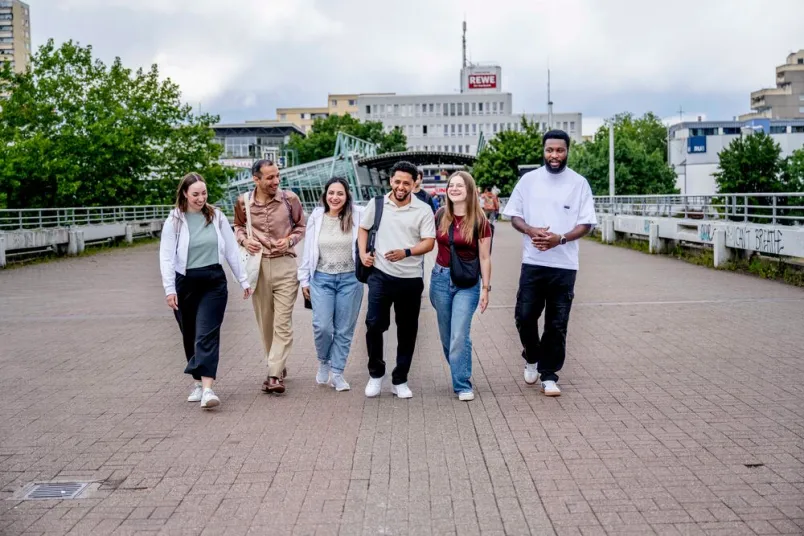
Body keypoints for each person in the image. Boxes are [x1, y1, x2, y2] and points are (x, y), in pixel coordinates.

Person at [502, 130, 597, 397]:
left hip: (564, 266)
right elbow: (514, 216)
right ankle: (532, 356)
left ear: (567, 151)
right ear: (543, 151)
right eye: (549, 150)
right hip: (533, 262)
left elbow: (586, 223)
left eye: (559, 150)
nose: (554, 155)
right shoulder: (528, 181)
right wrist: (531, 230)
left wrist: (561, 239)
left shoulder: (579, 183)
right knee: (524, 316)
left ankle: (549, 374)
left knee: (557, 323)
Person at [159, 173, 252, 410]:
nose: (201, 198)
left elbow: (231, 249)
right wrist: (170, 289)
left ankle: (208, 389)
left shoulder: (216, 216)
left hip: (214, 281)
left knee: (206, 334)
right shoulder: (175, 220)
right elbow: (167, 257)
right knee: (189, 334)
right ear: (184, 194)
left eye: (204, 193)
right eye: (196, 194)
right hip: (185, 282)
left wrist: (243, 279)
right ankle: (198, 383)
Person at [358, 160, 436, 399]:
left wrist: (407, 252)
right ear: (391, 181)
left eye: (407, 183)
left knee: (407, 330)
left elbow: (429, 242)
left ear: (415, 184)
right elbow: (363, 228)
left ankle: (400, 379)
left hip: (410, 279)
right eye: (397, 181)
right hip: (380, 275)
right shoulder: (377, 203)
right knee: (374, 325)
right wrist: (363, 254)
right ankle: (375, 374)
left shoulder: (423, 209)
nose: (401, 186)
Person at [234, 159, 306, 394]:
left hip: (285, 264)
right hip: (259, 267)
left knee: (282, 321)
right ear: (256, 179)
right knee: (266, 321)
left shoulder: (290, 199)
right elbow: (237, 226)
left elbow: (301, 227)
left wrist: (290, 240)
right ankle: (278, 361)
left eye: (277, 176)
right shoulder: (243, 202)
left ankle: (274, 374)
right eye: (270, 177)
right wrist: (245, 240)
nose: (276, 181)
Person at [429, 171, 492, 401]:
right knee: (447, 338)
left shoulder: (480, 220)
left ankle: (462, 383)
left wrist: (486, 288)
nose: (454, 189)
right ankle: (459, 369)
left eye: (459, 185)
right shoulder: (440, 215)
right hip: (440, 279)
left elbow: (485, 257)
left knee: (459, 336)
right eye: (451, 185)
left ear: (469, 190)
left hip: (467, 284)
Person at [298, 177, 364, 392]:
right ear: (325, 195)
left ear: (347, 196)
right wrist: (304, 279)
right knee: (323, 326)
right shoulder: (317, 217)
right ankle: (324, 361)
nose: (335, 197)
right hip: (321, 278)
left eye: (340, 193)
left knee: (344, 329)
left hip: (350, 279)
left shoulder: (358, 215)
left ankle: (337, 372)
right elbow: (308, 249)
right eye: (331, 193)